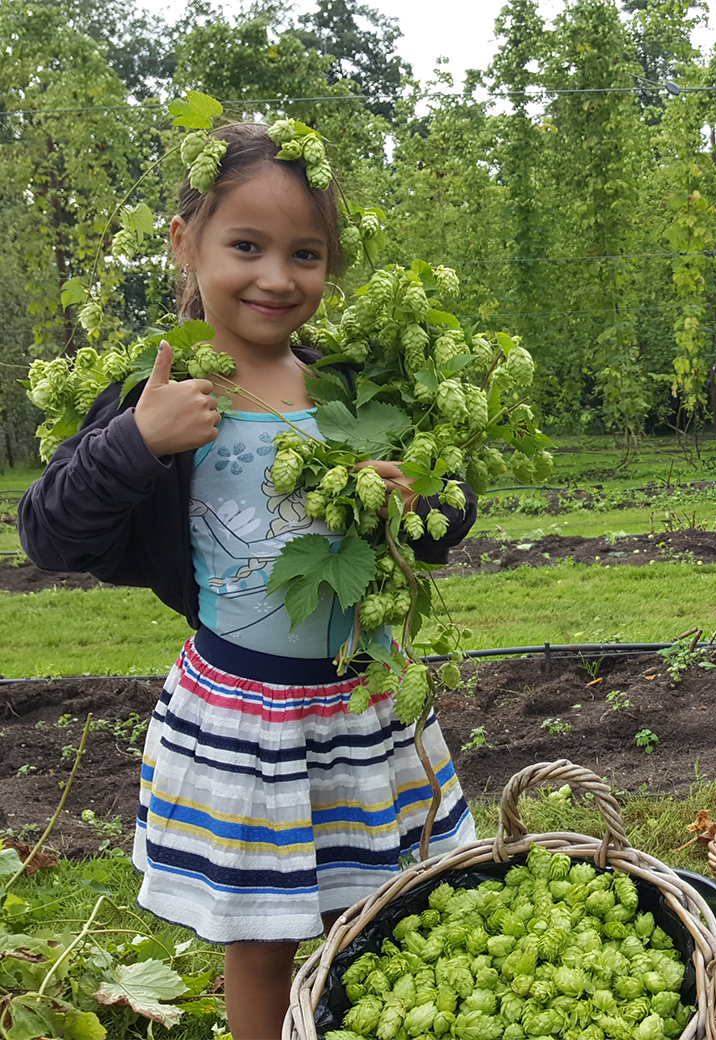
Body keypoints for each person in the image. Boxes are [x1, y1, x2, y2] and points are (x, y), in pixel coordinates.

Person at [19, 122, 477, 1039]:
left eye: (305, 254)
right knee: (264, 937)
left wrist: (415, 498)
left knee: (391, 907)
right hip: (249, 715)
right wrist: (135, 442)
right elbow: (49, 535)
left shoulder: (346, 389)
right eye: (247, 246)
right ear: (186, 242)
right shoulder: (166, 395)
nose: (277, 276)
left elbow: (439, 530)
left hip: (367, 706)